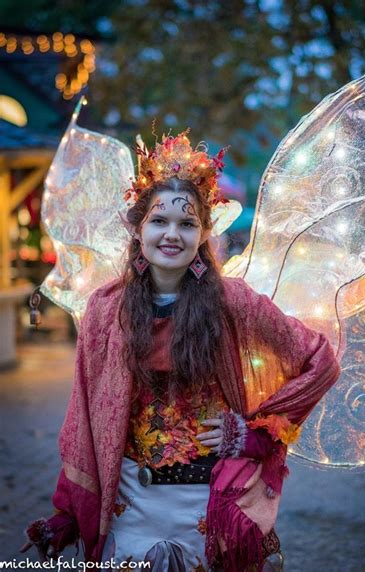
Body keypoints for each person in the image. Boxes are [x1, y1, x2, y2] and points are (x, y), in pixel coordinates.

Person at [20, 132, 341, 571]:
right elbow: (84, 415)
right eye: (159, 221)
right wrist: (67, 514)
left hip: (208, 510)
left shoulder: (235, 303)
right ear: (137, 227)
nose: (172, 234)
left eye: (187, 224)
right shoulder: (104, 309)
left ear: (204, 233)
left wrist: (260, 434)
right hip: (128, 510)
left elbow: (320, 361)